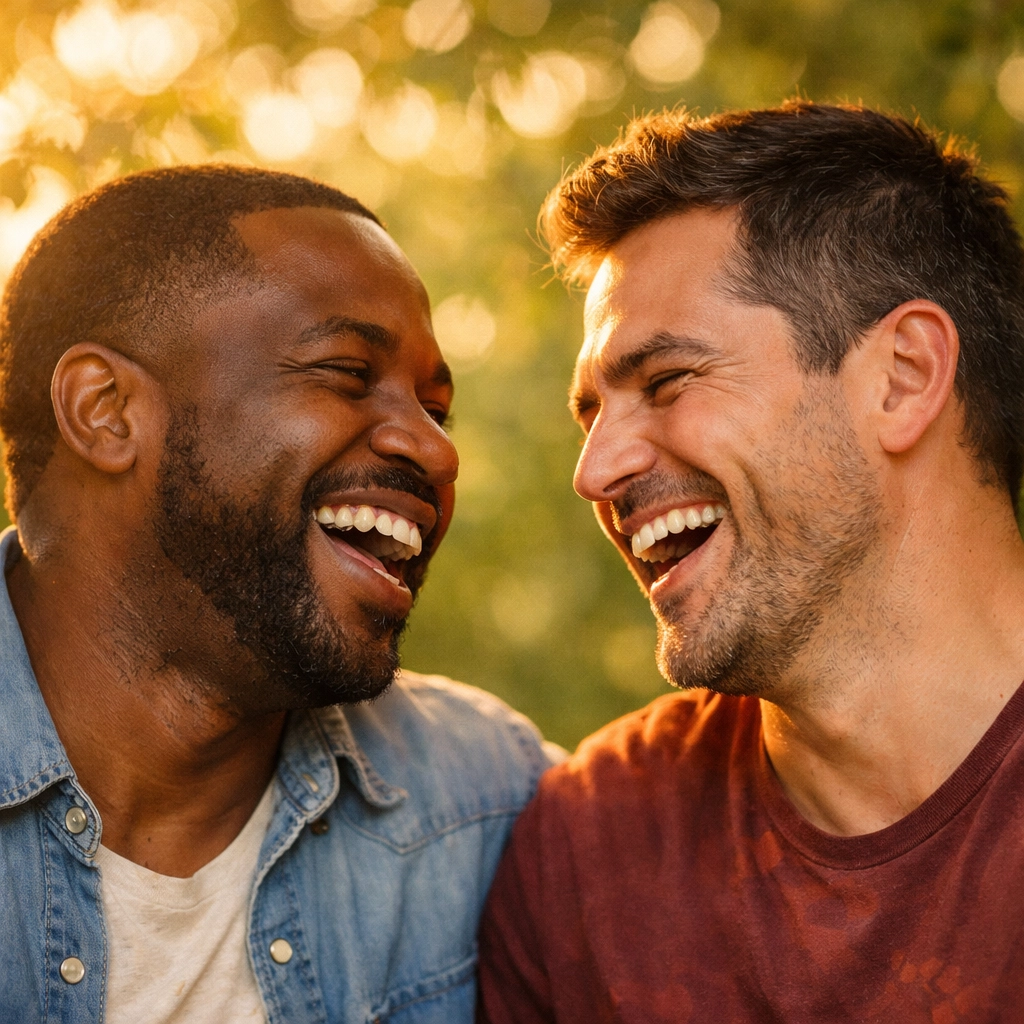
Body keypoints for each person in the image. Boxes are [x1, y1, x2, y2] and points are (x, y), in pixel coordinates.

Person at [477, 101, 1024, 1022]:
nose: (595, 471)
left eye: (667, 382)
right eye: (592, 414)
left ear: (903, 377)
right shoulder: (591, 850)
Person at [0, 165, 556, 1024]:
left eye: (438, 411)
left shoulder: (485, 796)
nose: (437, 453)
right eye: (345, 372)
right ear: (105, 410)